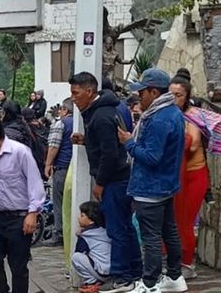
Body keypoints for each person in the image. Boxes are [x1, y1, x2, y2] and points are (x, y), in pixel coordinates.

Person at [69, 72, 142, 292]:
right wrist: (86, 140)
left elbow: (110, 154)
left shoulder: (100, 117)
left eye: (75, 93)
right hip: (120, 178)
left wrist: (100, 183)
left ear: (89, 91)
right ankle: (135, 270)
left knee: (116, 229)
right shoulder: (106, 111)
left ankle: (121, 277)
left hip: (114, 180)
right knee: (126, 228)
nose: (73, 98)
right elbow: (107, 145)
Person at [117, 69, 187, 293]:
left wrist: (128, 142)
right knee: (169, 232)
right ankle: (175, 277)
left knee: (152, 238)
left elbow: (151, 157)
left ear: (154, 92)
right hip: (165, 185)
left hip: (150, 188)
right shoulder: (173, 112)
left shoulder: (158, 119)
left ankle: (149, 284)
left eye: (142, 93)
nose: (139, 98)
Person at [0, 112, 45, 293]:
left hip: (20, 217)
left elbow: (35, 183)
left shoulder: (20, 152)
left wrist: (33, 213)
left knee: (18, 266)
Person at [169, 77, 209, 280]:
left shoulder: (191, 115)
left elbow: (192, 144)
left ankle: (186, 263)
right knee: (172, 220)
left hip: (194, 175)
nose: (174, 99)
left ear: (186, 98)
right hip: (175, 175)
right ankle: (173, 261)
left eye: (179, 95)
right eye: (171, 94)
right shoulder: (167, 114)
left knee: (184, 220)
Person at [44, 98, 74, 247]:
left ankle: (59, 232)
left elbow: (53, 146)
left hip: (62, 167)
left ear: (65, 111)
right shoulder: (79, 123)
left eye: (61, 110)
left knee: (59, 201)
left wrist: (48, 164)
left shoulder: (60, 124)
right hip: (75, 167)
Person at [72, 201, 112, 293]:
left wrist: (79, 235)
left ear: (91, 220)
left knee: (77, 257)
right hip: (112, 272)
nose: (78, 218)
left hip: (101, 272)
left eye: (82, 216)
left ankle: (92, 282)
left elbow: (79, 251)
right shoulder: (105, 231)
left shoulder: (86, 235)